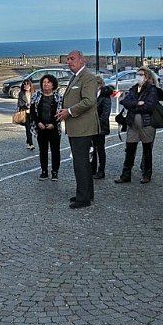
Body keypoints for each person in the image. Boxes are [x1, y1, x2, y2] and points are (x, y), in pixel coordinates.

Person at [57, 50, 99, 208]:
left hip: (83, 127)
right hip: (76, 127)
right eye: (67, 59)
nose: (69, 61)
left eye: (72, 59)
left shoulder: (87, 77)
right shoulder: (76, 77)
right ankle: (86, 193)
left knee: (80, 164)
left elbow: (89, 101)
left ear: (82, 61)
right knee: (82, 163)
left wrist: (69, 111)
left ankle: (83, 199)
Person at [114, 67, 159, 184]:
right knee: (129, 149)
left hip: (146, 124)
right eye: (137, 74)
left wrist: (133, 106)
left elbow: (149, 106)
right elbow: (124, 102)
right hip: (132, 124)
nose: (138, 76)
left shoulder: (152, 90)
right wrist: (137, 103)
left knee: (147, 150)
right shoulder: (133, 89)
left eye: (141, 74)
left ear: (147, 77)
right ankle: (125, 175)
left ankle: (146, 174)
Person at [30, 74, 63, 181]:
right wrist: (38, 122)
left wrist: (53, 123)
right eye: (44, 82)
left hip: (54, 128)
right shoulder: (36, 95)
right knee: (43, 150)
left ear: (53, 84)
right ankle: (44, 171)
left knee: (55, 150)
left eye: (48, 82)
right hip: (40, 127)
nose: (46, 84)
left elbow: (61, 112)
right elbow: (32, 111)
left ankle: (55, 171)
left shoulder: (58, 97)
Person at [90, 77, 114, 180]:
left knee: (100, 149)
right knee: (91, 149)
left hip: (100, 127)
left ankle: (101, 170)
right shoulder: (92, 95)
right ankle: (92, 169)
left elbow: (105, 114)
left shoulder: (105, 97)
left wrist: (96, 124)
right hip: (90, 127)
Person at [16, 79, 34, 150]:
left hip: (32, 114)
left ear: (30, 85)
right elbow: (19, 104)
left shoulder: (34, 93)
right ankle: (31, 144)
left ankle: (28, 141)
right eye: (24, 84)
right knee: (28, 128)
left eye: (27, 84)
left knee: (32, 128)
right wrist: (26, 104)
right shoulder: (21, 93)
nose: (26, 86)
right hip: (25, 113)